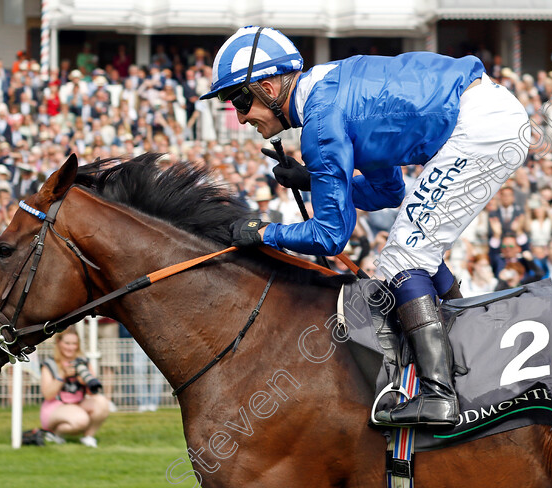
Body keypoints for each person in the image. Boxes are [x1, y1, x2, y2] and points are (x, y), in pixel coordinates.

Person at [204, 26, 531, 427]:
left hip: (480, 126)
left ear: (269, 88)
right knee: (412, 246)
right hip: (487, 114)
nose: (239, 117)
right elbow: (388, 190)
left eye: (239, 100)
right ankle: (460, 346)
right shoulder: (329, 90)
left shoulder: (321, 121)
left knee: (402, 257)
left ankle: (439, 397)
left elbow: (330, 236)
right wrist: (312, 180)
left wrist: (264, 233)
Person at [39, 327, 110, 447]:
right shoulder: (49, 364)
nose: (71, 347)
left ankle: (88, 437)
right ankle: (55, 433)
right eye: (67, 343)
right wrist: (62, 376)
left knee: (102, 402)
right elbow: (48, 395)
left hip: (77, 404)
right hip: (54, 408)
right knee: (81, 419)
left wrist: (84, 383)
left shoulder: (83, 362)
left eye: (74, 344)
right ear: (59, 342)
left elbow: (94, 391)